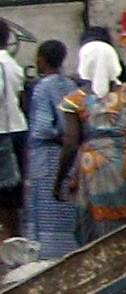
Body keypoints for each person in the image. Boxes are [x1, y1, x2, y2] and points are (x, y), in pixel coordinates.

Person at [56, 40, 126, 243]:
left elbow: (71, 143)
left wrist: (59, 180)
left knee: (95, 220)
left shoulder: (75, 100)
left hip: (92, 165)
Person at [23, 40, 77, 261]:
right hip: (68, 157)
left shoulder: (42, 87)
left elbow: (43, 127)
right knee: (66, 208)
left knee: (45, 211)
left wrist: (58, 136)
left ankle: (46, 257)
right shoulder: (71, 85)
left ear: (41, 60)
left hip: (46, 156)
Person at [0, 21, 25, 240]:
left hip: (2, 134)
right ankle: (14, 243)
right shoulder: (12, 64)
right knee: (12, 202)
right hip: (17, 129)